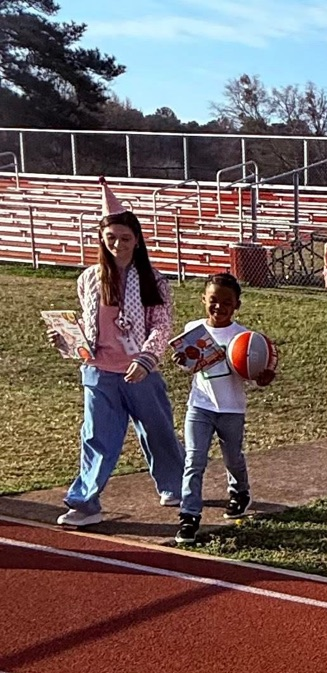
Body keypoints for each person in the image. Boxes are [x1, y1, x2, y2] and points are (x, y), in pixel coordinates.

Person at [52, 179, 184, 527]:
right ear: (101, 240)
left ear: (137, 240)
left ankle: (174, 485)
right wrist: (68, 340)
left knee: (157, 431)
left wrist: (146, 359)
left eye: (125, 238)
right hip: (99, 371)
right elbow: (87, 323)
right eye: (111, 238)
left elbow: (162, 324)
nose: (118, 244)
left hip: (141, 373)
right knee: (97, 436)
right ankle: (85, 501)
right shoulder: (88, 279)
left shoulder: (153, 280)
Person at [172, 272, 254, 544]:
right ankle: (189, 516)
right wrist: (182, 360)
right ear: (203, 299)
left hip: (231, 408)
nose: (219, 307)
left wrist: (262, 374)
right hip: (200, 405)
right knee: (194, 460)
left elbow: (254, 370)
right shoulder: (194, 328)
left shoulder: (243, 336)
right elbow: (188, 364)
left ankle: (239, 491)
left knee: (233, 458)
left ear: (237, 305)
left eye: (227, 302)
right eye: (213, 300)